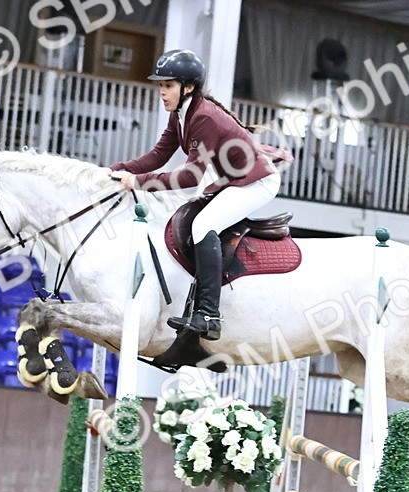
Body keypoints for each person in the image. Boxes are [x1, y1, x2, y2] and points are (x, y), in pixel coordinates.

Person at [106, 49, 288, 341]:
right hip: (233, 178)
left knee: (203, 226)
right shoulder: (181, 113)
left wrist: (137, 182)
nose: (162, 93)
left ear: (188, 87)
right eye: (160, 86)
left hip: (258, 181)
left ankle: (209, 315)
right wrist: (116, 170)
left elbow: (190, 177)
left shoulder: (203, 116)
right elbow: (157, 156)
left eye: (168, 86)